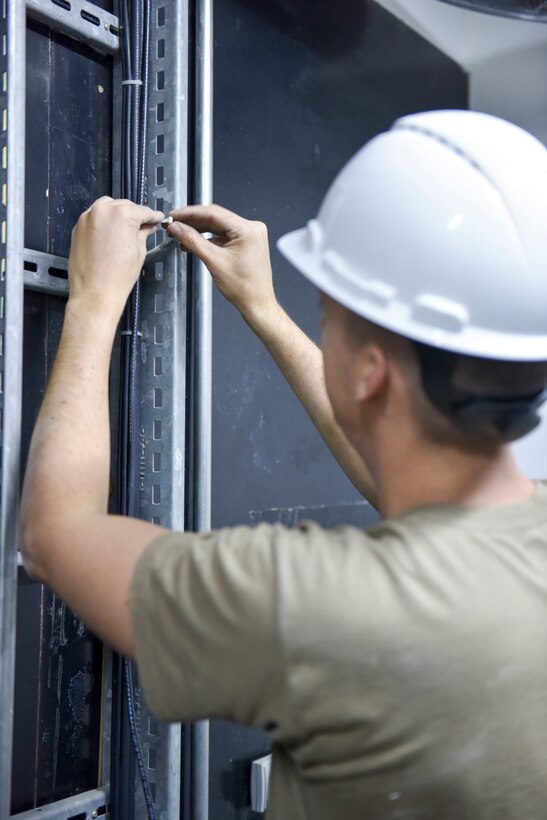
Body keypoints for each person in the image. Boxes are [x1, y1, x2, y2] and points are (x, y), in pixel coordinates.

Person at [20, 110, 547, 819]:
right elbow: (404, 473)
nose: (321, 324)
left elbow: (56, 533)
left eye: (327, 314)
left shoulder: (324, 608)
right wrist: (264, 308)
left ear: (369, 372)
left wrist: (92, 301)